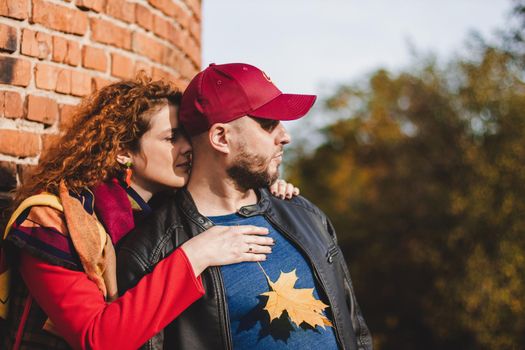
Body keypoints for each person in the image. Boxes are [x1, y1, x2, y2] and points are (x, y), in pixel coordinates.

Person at [0, 75, 298, 349]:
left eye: (187, 137)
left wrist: (262, 194)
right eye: (172, 139)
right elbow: (98, 339)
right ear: (123, 151)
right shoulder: (52, 220)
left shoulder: (166, 212)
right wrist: (195, 256)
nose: (187, 148)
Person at [117, 63, 372, 350]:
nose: (284, 136)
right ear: (221, 138)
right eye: (267, 124)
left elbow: (355, 331)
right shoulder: (152, 251)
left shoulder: (306, 216)